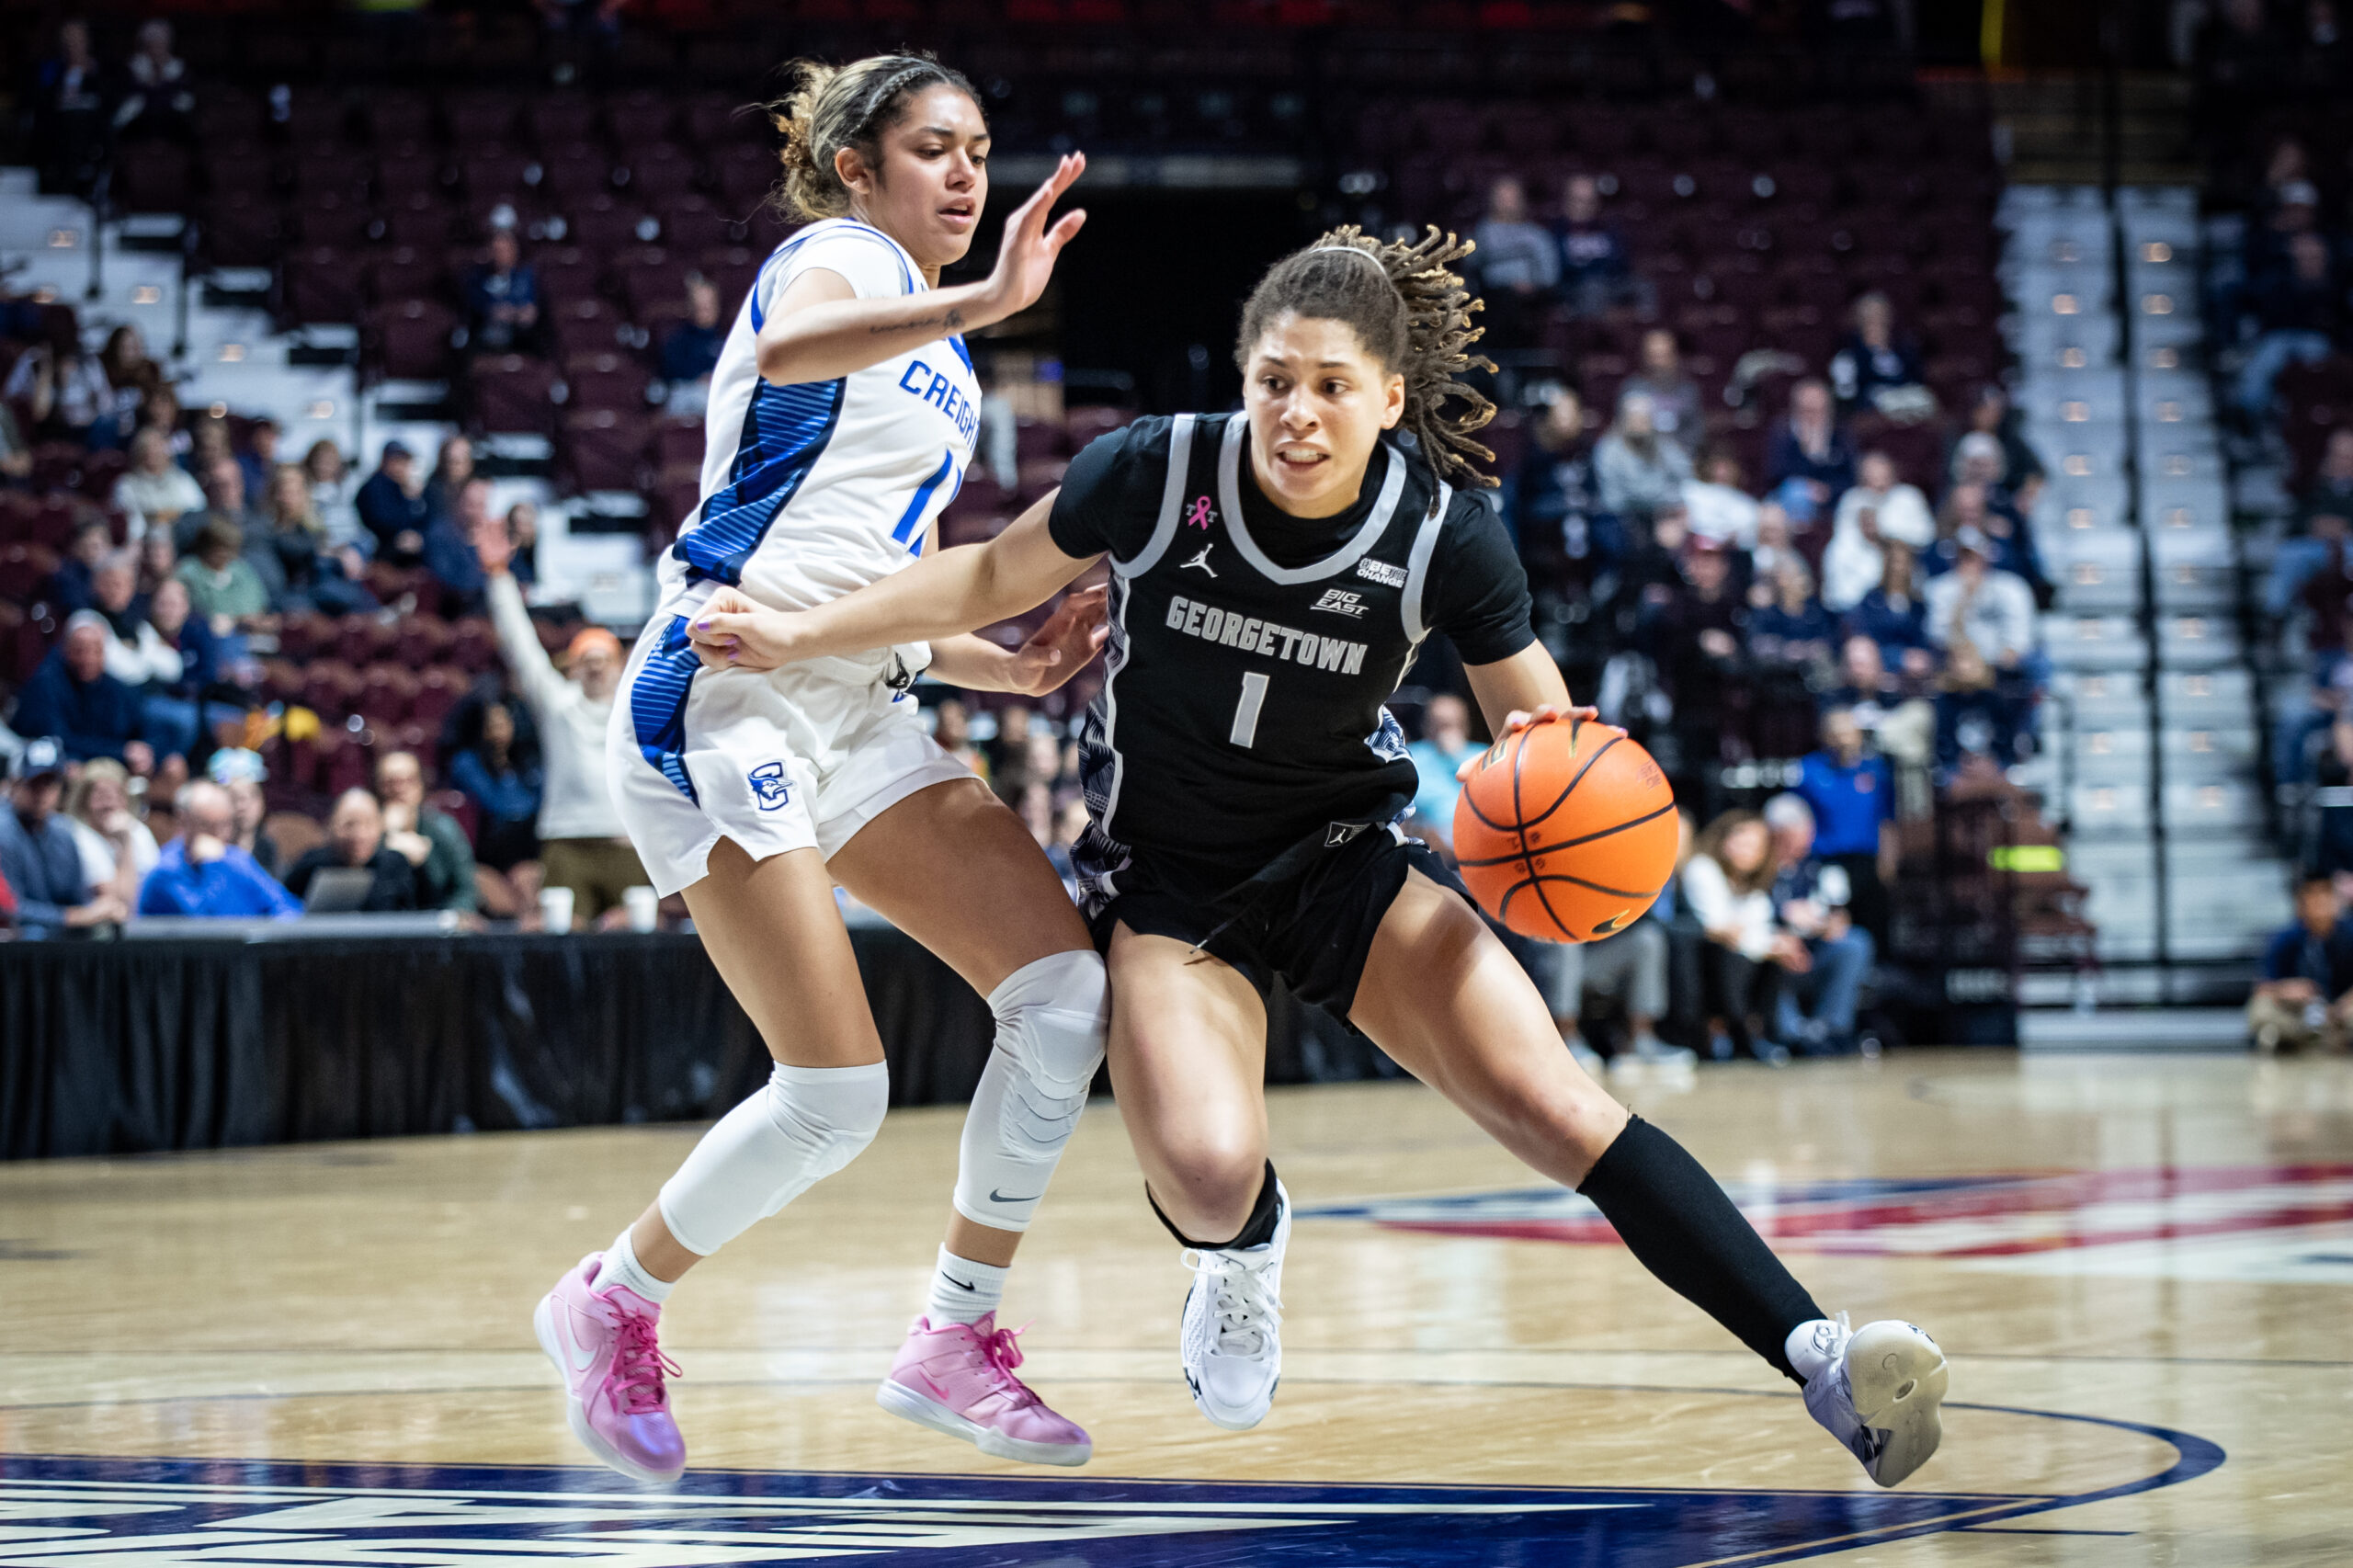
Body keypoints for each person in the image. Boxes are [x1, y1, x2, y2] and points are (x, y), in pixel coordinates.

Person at [694, 223, 1948, 1487]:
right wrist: (797, 631)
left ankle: (1818, 1352)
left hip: (1347, 866)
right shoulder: (1156, 470)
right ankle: (1240, 1251)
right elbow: (978, 578)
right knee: (1203, 1165)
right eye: (1274, 380)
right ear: (1243, 379)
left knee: (1559, 1106)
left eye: (1332, 386)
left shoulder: (1445, 534)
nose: (1297, 413)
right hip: (1173, 890)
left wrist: (1574, 813)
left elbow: (1549, 736)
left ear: (1391, 398)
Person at [520, 55, 1131, 1486]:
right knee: (836, 1092)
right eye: (935, 149)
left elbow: (888, 586)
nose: (970, 177)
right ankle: (611, 1294)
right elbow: (796, 353)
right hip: (726, 690)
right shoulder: (835, 260)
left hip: (858, 693)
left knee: (1065, 998)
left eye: (981, 149)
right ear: (858, 166)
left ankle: (954, 1331)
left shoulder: (947, 355)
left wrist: (1011, 662)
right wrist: (985, 299)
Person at [472, 524, 638, 915]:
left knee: (637, 938)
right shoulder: (558, 706)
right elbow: (521, 646)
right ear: (573, 669)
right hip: (565, 841)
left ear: (620, 667)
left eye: (604, 661)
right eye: (587, 661)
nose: (596, 669)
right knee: (565, 940)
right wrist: (499, 577)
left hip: (626, 840)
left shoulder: (636, 712)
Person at [1680, 810, 1806, 1065]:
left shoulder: (1754, 886)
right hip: (1702, 958)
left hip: (1739, 955)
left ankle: (1764, 1033)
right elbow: (1719, 929)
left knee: (1776, 956)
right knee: (1734, 955)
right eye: (1742, 841)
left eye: (1756, 846)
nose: (1747, 851)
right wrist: (1769, 945)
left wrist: (1777, 945)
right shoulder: (1701, 868)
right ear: (1724, 838)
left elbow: (1757, 926)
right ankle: (1735, 1033)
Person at [1762, 794, 1875, 1055]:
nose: (1800, 843)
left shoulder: (1819, 868)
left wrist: (1825, 924)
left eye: (1804, 834)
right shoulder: (1759, 871)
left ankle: (1831, 1029)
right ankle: (1790, 1034)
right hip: (1776, 956)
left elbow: (1839, 918)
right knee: (1772, 953)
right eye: (1789, 836)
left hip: (1814, 953)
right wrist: (1783, 922)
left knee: (1855, 942)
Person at [0, 739, 127, 937]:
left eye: (49, 783)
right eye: (34, 783)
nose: (42, 793)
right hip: (18, 941)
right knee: (33, 934)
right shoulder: (3, 831)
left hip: (58, 935)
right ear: (15, 784)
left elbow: (76, 899)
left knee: (105, 931)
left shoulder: (63, 832)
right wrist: (69, 917)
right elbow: (10, 908)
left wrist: (100, 909)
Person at [1797, 708, 1898, 947]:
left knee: (1873, 918)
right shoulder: (1809, 771)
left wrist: (1890, 860)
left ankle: (1876, 973)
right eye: (1834, 732)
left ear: (1858, 735)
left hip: (1867, 860)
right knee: (1834, 921)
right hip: (1826, 860)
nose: (1841, 737)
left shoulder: (1876, 771)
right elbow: (1798, 817)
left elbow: (1887, 820)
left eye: (1846, 731)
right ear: (1823, 735)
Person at [136, 779, 302, 919]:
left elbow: (286, 905)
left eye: (225, 824)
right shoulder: (167, 872)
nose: (219, 835)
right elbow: (208, 927)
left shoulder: (235, 858)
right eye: (207, 825)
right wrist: (214, 865)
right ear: (183, 821)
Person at [15, 614, 156, 774]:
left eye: (95, 650)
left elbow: (139, 729)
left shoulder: (116, 688)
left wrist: (143, 752)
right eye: (80, 650)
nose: (88, 658)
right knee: (72, 768)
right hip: (54, 760)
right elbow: (58, 739)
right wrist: (120, 751)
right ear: (65, 650)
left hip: (106, 761)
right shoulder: (46, 682)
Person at [2248, 874, 2353, 1052]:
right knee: (2261, 1007)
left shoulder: (2349, 935)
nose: (2319, 903)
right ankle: (2292, 1038)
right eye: (2312, 896)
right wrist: (2286, 989)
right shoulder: (2284, 939)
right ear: (2301, 903)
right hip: (2299, 1015)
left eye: (2325, 895)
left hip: (2340, 1014)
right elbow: (2262, 987)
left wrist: (2346, 1002)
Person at [1822, 450, 1934, 611]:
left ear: (1892, 474)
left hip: (1903, 569)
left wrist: (1886, 534)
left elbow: (1925, 536)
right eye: (1871, 477)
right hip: (1860, 569)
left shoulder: (1909, 497)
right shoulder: (1852, 499)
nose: (1877, 483)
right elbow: (1844, 536)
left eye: (1882, 477)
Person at [447, 694, 542, 871]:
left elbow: (540, 802)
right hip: (484, 853)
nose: (499, 729)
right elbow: (499, 805)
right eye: (492, 724)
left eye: (504, 722)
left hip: (524, 849)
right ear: (480, 727)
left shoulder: (525, 762)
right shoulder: (466, 762)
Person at [283, 789, 419, 911]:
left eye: (368, 823)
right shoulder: (311, 866)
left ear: (380, 826)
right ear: (331, 826)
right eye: (349, 824)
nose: (359, 834)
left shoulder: (395, 864)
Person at [378, 749, 478, 914]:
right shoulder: (367, 831)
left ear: (420, 786)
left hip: (437, 922)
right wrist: (387, 835)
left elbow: (465, 888)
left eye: (407, 781)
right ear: (378, 788)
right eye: (390, 782)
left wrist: (455, 917)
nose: (399, 789)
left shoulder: (444, 827)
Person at [1469, 176, 1557, 354]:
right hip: (1493, 298)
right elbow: (1474, 269)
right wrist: (1510, 284)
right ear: (1492, 201)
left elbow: (1550, 274)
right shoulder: (1481, 234)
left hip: (1534, 297)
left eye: (1513, 198)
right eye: (1503, 198)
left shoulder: (1537, 235)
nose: (1508, 204)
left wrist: (1533, 286)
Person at [63, 756, 159, 914]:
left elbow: (156, 889)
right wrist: (125, 843)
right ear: (84, 800)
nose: (109, 804)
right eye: (100, 796)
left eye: (116, 795)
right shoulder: (76, 837)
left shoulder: (139, 831)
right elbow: (123, 902)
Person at [1765, 379, 1856, 525]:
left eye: (1818, 410)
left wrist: (1828, 490)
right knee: (1797, 493)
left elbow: (1851, 475)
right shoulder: (1782, 432)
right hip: (1791, 495)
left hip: (1833, 495)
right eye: (1807, 410)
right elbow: (1775, 474)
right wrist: (1806, 451)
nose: (1812, 416)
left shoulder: (1841, 433)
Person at [1594, 389, 1694, 522]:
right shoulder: (1608, 450)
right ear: (1623, 419)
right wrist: (1658, 497)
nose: (1640, 422)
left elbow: (1686, 478)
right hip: (1622, 521)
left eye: (1645, 416)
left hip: (1662, 518)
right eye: (1634, 416)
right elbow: (1613, 500)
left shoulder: (1664, 445)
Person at [1552, 173, 1640, 318]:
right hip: (1574, 287)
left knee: (1644, 286)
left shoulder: (1608, 228)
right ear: (1566, 201)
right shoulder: (1557, 231)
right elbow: (1561, 267)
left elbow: (1621, 261)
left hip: (1611, 283)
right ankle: (1591, 334)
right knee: (1593, 287)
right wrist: (1594, 268)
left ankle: (1646, 333)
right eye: (1579, 200)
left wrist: (1589, 265)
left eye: (1590, 201)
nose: (1584, 207)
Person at [1827, 292, 1928, 418]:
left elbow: (1917, 377)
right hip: (1872, 407)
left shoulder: (1903, 349)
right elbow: (1846, 393)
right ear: (1860, 321)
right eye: (1871, 318)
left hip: (1908, 399)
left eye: (1881, 317)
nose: (1876, 322)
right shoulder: (1849, 354)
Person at [1404, 693, 1479, 846]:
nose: (1444, 732)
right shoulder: (1410, 756)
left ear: (1465, 727)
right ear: (1425, 726)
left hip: (1479, 832)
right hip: (1429, 836)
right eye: (1438, 724)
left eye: (1451, 725)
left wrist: (1456, 757)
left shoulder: (1481, 755)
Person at [113, 426, 208, 542]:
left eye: (157, 448)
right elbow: (132, 523)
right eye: (147, 449)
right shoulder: (127, 485)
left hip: (181, 540)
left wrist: (167, 517)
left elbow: (197, 508)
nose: (153, 453)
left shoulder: (182, 479)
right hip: (145, 543)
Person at [175, 518, 273, 628]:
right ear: (208, 547)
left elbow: (261, 605)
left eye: (231, 549)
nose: (227, 554)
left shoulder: (242, 570)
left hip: (248, 633)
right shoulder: (188, 571)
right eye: (221, 548)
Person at [1623, 329, 1705, 455]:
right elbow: (1625, 432)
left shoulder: (1688, 390)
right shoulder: (1633, 389)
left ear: (1675, 356)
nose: (1658, 363)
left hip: (1681, 459)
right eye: (1653, 356)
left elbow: (1696, 432)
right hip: (1641, 459)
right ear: (1644, 358)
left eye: (1664, 356)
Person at [466, 231, 543, 357]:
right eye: (496, 250)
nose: (500, 255)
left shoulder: (525, 275)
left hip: (520, 332)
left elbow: (530, 307)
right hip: (486, 332)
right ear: (489, 252)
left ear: (514, 252)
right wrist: (493, 311)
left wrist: (517, 313)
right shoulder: (476, 277)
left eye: (505, 250)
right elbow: (479, 307)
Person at [209, 747, 282, 880]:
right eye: (233, 797)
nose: (242, 806)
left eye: (252, 796)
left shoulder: (268, 849)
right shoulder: (205, 853)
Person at [357, 440, 433, 564]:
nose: (400, 466)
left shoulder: (406, 487)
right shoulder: (374, 487)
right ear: (384, 461)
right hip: (381, 548)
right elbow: (380, 521)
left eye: (404, 461)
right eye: (396, 460)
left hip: (408, 545)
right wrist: (403, 534)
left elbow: (426, 519)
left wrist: (419, 535)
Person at [660, 274, 727, 413]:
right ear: (690, 306)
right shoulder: (678, 341)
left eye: (709, 305)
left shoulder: (726, 340)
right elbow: (671, 375)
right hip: (688, 392)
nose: (704, 311)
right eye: (700, 306)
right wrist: (699, 378)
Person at [1682, 449, 1760, 550]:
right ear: (1707, 467)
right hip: (1694, 547)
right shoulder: (1691, 491)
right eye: (1717, 466)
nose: (1721, 472)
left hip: (1730, 552)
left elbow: (1748, 536)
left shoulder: (1748, 505)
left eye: (1726, 467)